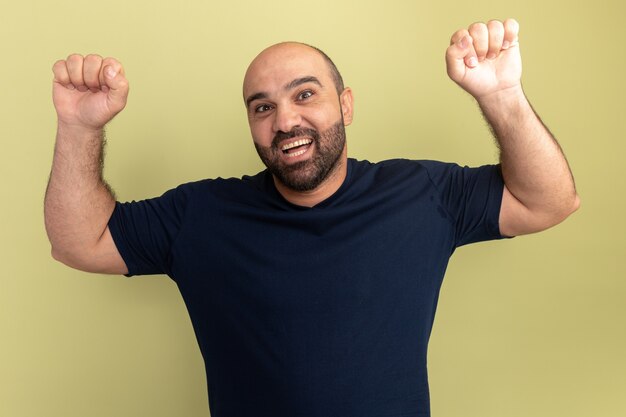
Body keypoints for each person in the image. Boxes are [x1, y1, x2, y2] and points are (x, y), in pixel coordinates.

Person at [45, 18, 579, 417]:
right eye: (262, 107)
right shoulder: (201, 214)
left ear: (345, 105)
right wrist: (79, 127)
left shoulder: (422, 193)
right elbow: (79, 241)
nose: (286, 120)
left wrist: (503, 96)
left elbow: (548, 201)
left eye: (305, 94)